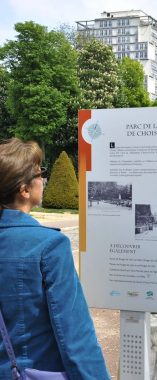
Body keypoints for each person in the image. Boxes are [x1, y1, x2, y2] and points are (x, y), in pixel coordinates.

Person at [0, 138, 110, 379]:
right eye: (41, 173)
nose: (44, 179)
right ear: (25, 189)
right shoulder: (49, 246)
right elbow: (75, 335)